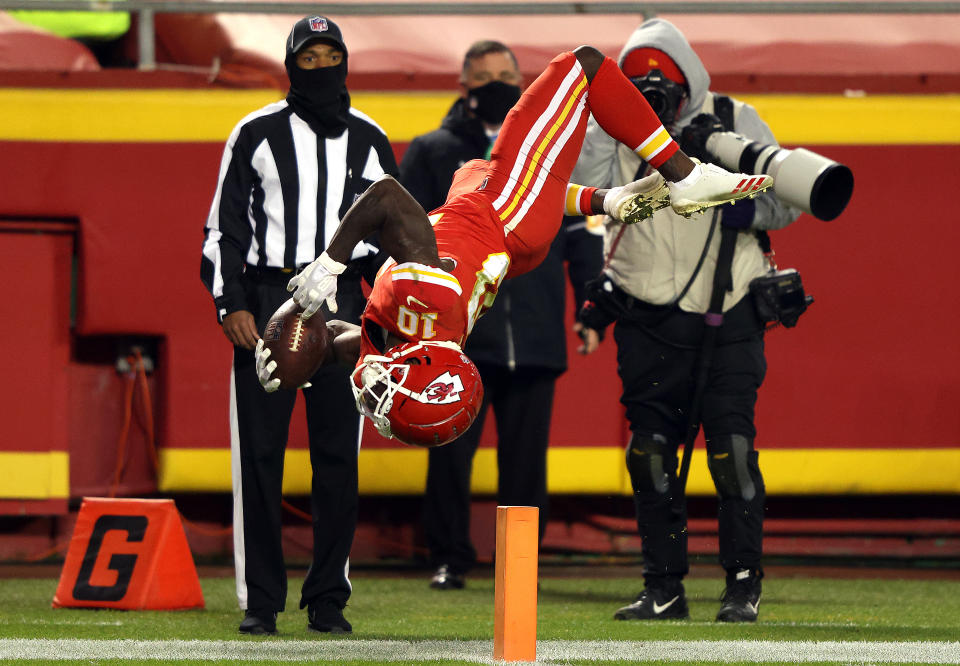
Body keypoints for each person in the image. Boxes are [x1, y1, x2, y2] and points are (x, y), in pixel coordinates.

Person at [256, 43, 771, 460]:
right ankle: (685, 176)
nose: (373, 390)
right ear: (422, 360)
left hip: (508, 228)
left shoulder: (401, 339)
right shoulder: (425, 300)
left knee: (479, 177)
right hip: (504, 213)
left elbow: (343, 340)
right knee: (584, 67)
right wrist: (328, 263)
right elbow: (388, 195)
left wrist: (292, 354)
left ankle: (618, 195)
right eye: (387, 390)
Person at [572, 19, 801, 623]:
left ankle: (742, 586)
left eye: (662, 84)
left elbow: (787, 202)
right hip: (646, 314)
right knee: (649, 455)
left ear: (689, 82)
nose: (653, 95)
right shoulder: (612, 129)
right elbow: (582, 197)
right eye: (637, 84)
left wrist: (733, 191)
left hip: (732, 314)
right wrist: (608, 121)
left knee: (731, 450)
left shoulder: (734, 117)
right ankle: (663, 588)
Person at [200, 15, 398, 636]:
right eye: (307, 58)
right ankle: (261, 601)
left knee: (339, 456)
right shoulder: (254, 131)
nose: (319, 68)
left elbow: (389, 233)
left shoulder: (371, 138)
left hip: (342, 306)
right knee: (259, 456)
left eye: (329, 55)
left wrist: (386, 313)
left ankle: (328, 599)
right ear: (291, 66)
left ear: (345, 62)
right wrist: (230, 302)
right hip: (267, 298)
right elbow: (222, 229)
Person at [398, 40, 603, 589]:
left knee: (527, 462)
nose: (497, 84)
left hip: (535, 329)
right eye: (485, 77)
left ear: (523, 80)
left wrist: (591, 304)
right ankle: (447, 556)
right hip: (456, 330)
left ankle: (522, 565)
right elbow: (405, 233)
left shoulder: (547, 154)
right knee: (447, 452)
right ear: (465, 86)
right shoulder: (432, 151)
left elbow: (580, 233)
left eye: (506, 75)